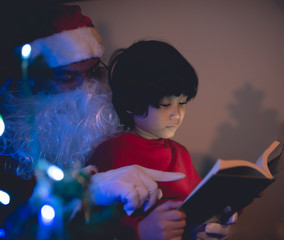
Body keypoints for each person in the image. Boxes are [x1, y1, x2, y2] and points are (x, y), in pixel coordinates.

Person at [0, 3, 184, 239]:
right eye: (67, 77)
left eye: (93, 71)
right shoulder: (9, 143)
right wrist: (86, 191)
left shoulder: (118, 125)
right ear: (35, 80)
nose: (86, 88)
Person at [88, 40, 238, 240]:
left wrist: (209, 221)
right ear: (131, 103)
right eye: (165, 104)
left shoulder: (181, 154)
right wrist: (139, 231)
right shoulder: (111, 152)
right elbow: (92, 223)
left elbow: (196, 206)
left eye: (183, 102)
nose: (177, 114)